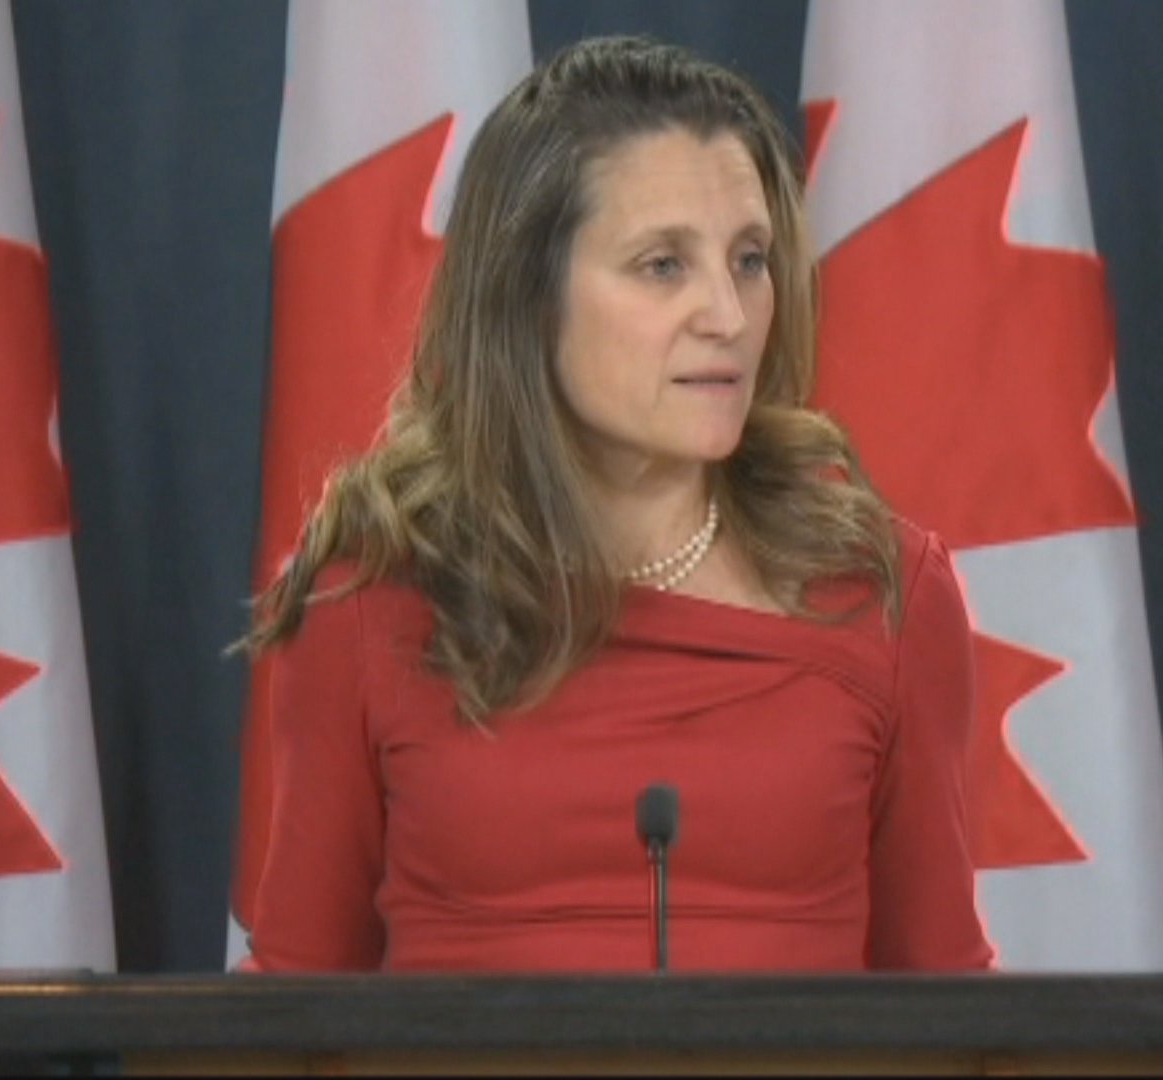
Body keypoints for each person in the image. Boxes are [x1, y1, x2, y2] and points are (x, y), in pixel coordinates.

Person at [238, 34, 993, 973]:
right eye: (663, 265)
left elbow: (948, 1007)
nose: (728, 316)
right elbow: (296, 1008)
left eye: (749, 259)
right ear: (528, 296)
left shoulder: (884, 593)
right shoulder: (371, 600)